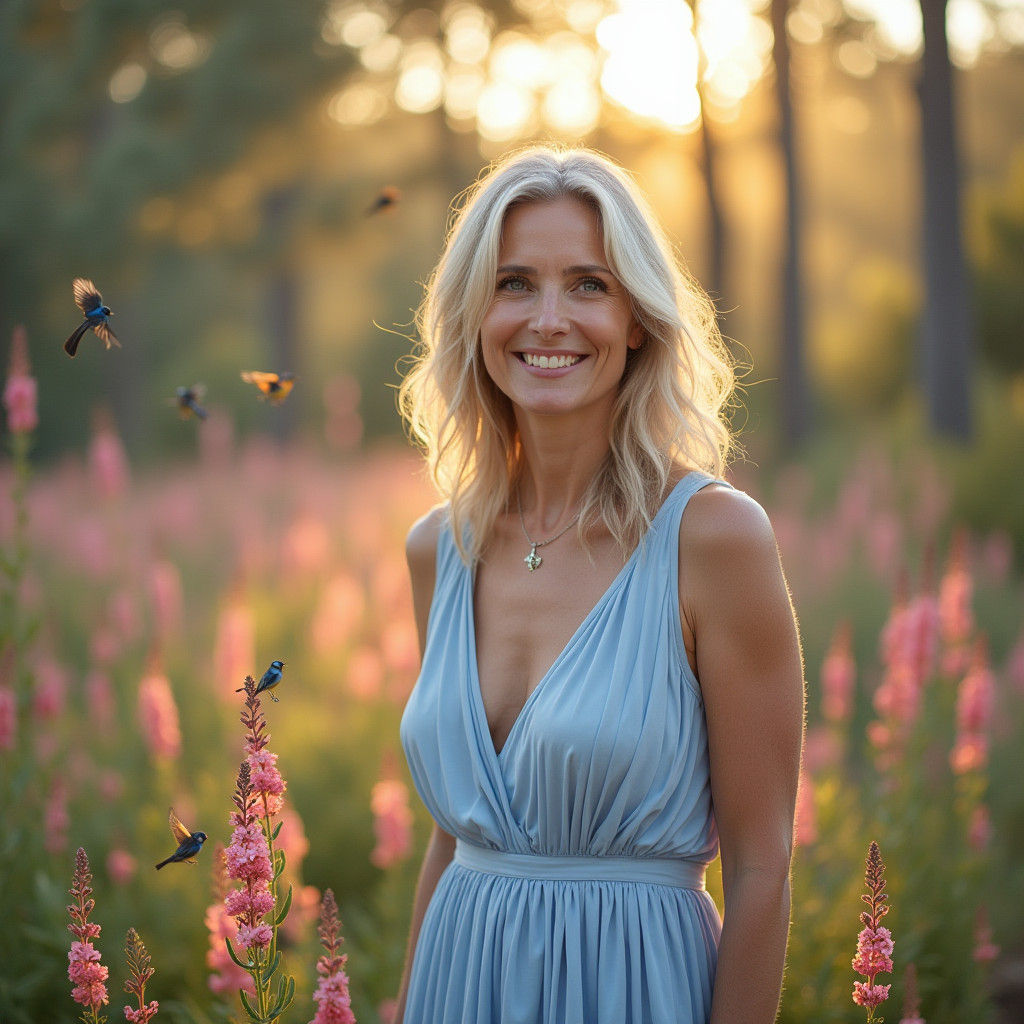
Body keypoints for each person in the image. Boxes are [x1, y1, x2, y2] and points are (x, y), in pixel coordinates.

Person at [394, 146, 804, 1024]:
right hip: (456, 987)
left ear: (638, 320)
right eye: (514, 284)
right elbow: (455, 834)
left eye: (588, 284)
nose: (549, 319)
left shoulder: (713, 538)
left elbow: (763, 866)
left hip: (634, 988)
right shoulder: (440, 548)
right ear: (473, 313)